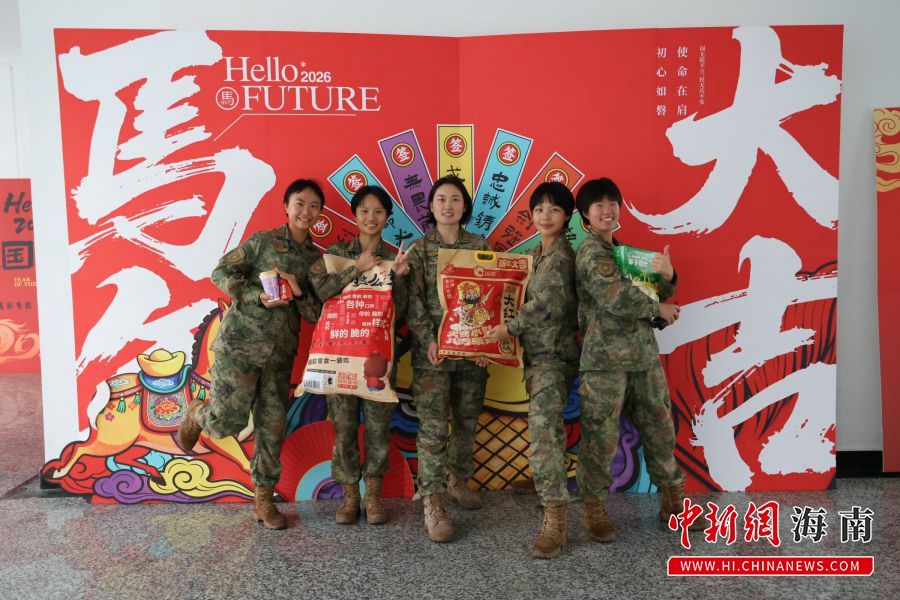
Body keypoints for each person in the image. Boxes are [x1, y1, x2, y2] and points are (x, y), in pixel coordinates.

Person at [177, 178, 325, 530]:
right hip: (240, 345)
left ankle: (263, 501)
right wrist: (255, 295)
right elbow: (220, 271)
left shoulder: (317, 259)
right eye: (300, 203)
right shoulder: (263, 242)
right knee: (226, 422)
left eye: (314, 206)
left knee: (272, 428)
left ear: (320, 212)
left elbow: (315, 313)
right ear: (287, 207)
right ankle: (198, 413)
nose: (306, 211)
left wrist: (297, 290)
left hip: (280, 355)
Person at [573, 176, 696, 543]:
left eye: (613, 203)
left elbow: (652, 291)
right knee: (600, 438)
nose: (607, 210)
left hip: (643, 357)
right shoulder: (590, 253)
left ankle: (674, 505)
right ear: (585, 215)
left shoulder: (626, 254)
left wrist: (669, 275)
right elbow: (617, 297)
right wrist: (658, 308)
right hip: (604, 362)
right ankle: (595, 510)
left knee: (661, 431)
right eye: (599, 205)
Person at [486, 181, 579, 558]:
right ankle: (546, 483)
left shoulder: (561, 257)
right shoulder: (537, 254)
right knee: (545, 428)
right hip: (538, 357)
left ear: (567, 216)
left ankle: (555, 518)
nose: (545, 215)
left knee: (544, 432)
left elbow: (545, 304)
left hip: (553, 358)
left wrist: (507, 328)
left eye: (554, 209)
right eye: (539, 209)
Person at [309, 185, 411, 525]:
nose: (371, 217)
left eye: (378, 211)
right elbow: (321, 293)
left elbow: (402, 311)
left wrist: (400, 278)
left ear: (387, 217)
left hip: (378, 358)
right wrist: (356, 267)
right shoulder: (336, 253)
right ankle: (350, 496)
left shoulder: (394, 257)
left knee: (379, 428)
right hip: (339, 354)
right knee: (343, 428)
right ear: (354, 215)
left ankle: (374, 496)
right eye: (364, 210)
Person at [406, 175, 492, 542]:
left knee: (467, 420)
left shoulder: (480, 246)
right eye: (441, 199)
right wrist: (428, 338)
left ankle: (458, 481)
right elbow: (413, 301)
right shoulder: (419, 249)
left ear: (464, 207)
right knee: (433, 428)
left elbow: (491, 296)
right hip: (433, 355)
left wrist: (488, 345)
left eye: (455, 199)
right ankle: (433, 502)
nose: (448, 205)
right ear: (430, 206)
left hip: (472, 353)